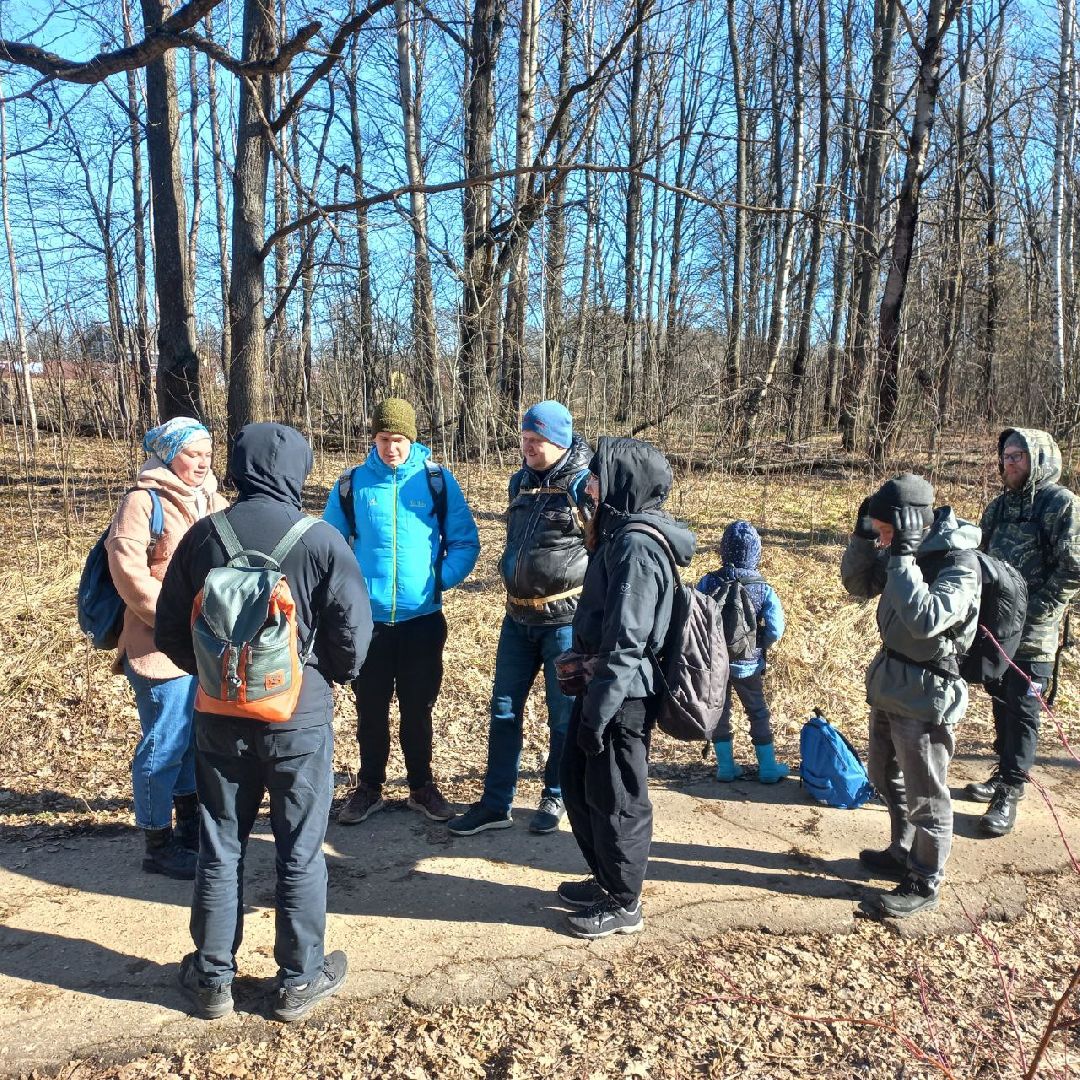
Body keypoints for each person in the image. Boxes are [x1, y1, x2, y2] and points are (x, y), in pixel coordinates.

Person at [156, 422, 373, 1023]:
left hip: (218, 718)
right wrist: (313, 677)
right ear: (298, 471)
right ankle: (300, 979)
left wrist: (215, 677)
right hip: (296, 721)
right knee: (300, 849)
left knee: (220, 845)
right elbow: (353, 643)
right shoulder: (323, 539)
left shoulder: (204, 536)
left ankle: (212, 980)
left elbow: (171, 628)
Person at [557, 436, 696, 939]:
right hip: (605, 688)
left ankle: (624, 901)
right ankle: (607, 879)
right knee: (580, 783)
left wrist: (597, 712)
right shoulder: (618, 534)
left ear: (623, 481)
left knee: (617, 796)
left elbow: (628, 642)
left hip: (623, 695)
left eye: (597, 474)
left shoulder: (637, 546)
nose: (589, 484)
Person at [324, 398, 480, 825]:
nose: (390, 447)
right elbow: (330, 549)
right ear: (372, 439)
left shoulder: (436, 482)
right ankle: (369, 787)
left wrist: (438, 580)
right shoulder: (351, 485)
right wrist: (347, 595)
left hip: (422, 622)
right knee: (369, 709)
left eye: (398, 439)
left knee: (418, 708)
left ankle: (421, 786)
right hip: (367, 623)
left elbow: (465, 542)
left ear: (411, 439)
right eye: (382, 438)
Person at [841, 474, 982, 918]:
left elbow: (925, 619)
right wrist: (866, 535)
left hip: (927, 692)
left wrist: (902, 554)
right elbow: (858, 584)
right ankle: (902, 848)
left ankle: (924, 878)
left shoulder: (959, 563)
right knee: (883, 774)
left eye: (886, 530)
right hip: (891, 682)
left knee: (927, 792)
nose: (883, 540)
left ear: (908, 524)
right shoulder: (905, 548)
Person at [450, 402, 593, 837]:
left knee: (563, 716)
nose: (526, 447)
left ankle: (556, 794)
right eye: (524, 439)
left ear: (559, 441)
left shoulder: (585, 486)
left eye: (536, 441)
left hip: (565, 622)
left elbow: (604, 549)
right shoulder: (520, 481)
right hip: (517, 619)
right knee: (503, 710)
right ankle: (496, 804)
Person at [106, 416, 226, 880]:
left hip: (204, 643)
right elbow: (128, 570)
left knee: (192, 740)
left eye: (207, 454)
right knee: (164, 743)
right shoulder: (143, 500)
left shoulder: (212, 499)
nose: (202, 462)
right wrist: (175, 619)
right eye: (192, 454)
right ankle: (157, 842)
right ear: (168, 453)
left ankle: (190, 826)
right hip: (158, 647)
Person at [966, 428, 1080, 835]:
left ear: (1040, 459)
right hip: (997, 629)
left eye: (1019, 455)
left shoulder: (1061, 504)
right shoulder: (998, 507)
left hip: (1034, 633)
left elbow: (1073, 569)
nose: (1010, 462)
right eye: (1007, 456)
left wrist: (1036, 613)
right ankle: (1003, 771)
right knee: (1000, 698)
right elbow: (979, 561)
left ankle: (1012, 790)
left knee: (1024, 709)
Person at [696, 520, 788, 783]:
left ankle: (726, 767)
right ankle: (768, 768)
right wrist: (760, 645)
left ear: (723, 549)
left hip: (715, 663)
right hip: (748, 664)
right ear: (755, 552)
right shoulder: (763, 587)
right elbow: (776, 629)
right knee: (757, 711)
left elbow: (694, 618)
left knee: (720, 710)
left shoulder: (708, 581)